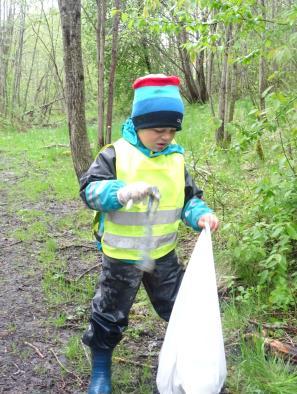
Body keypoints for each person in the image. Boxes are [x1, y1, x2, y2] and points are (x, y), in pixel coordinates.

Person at [79, 74, 219, 394]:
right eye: (159, 129)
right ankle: (101, 370)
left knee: (181, 309)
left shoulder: (175, 159)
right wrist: (122, 192)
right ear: (139, 123)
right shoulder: (115, 155)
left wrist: (201, 215)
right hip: (121, 257)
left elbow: (188, 199)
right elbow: (88, 192)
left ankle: (182, 368)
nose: (165, 137)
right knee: (108, 314)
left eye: (171, 130)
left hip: (163, 255)